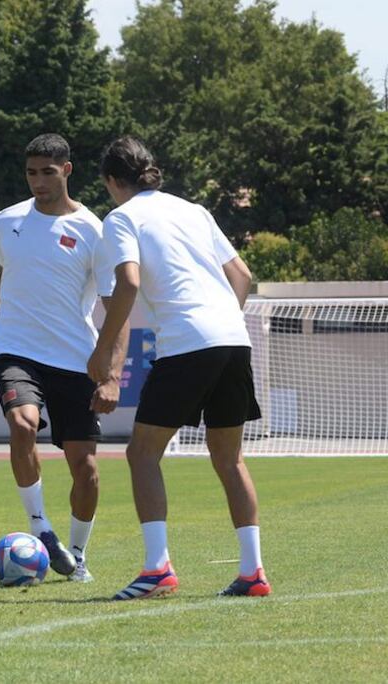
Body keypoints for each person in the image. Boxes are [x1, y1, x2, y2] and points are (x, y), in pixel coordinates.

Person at [88, 136, 269, 600]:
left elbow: (128, 283)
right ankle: (253, 572)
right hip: (234, 338)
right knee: (229, 458)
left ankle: (157, 568)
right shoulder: (194, 210)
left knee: (142, 453)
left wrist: (103, 351)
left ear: (112, 181)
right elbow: (242, 275)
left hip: (187, 344)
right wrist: (221, 323)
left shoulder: (121, 218)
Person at [0, 133, 120, 583]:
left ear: (67, 170)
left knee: (86, 469)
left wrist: (111, 374)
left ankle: (77, 555)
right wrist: (8, 327)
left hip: (75, 359)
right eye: (31, 173)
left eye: (47, 172)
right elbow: (4, 277)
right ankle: (40, 528)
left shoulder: (94, 231)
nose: (38, 181)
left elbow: (114, 307)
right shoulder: (5, 221)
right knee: (22, 424)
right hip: (16, 351)